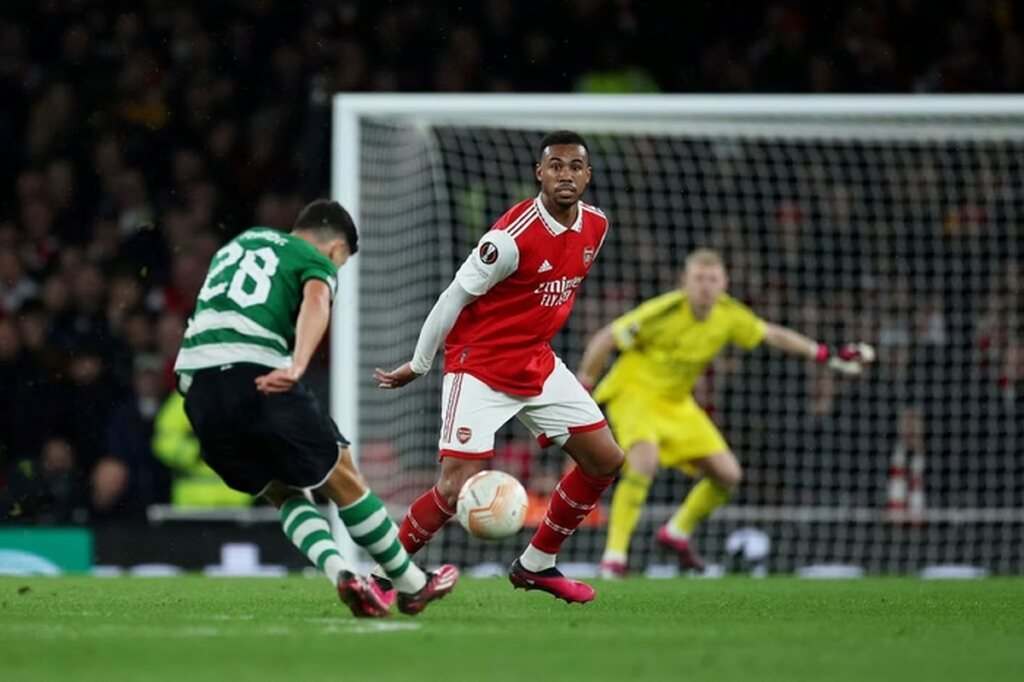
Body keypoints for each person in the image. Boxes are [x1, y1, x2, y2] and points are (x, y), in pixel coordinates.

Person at [174, 199, 458, 617]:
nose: (337, 269)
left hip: (196, 389)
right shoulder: (311, 256)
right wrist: (298, 363)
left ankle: (341, 572)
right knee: (341, 475)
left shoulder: (240, 244)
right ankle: (412, 583)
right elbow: (316, 299)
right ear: (334, 249)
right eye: (340, 263)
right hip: (255, 372)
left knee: (281, 490)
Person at [374, 131, 624, 604]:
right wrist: (421, 363)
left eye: (575, 166)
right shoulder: (508, 240)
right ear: (539, 173)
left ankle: (536, 565)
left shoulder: (597, 225)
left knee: (605, 459)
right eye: (555, 166)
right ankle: (384, 580)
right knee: (452, 490)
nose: (565, 175)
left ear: (588, 175)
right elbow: (453, 298)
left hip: (538, 361)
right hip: (480, 366)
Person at [576, 249, 875, 577]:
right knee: (644, 461)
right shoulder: (663, 311)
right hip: (634, 393)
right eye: (699, 279)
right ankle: (614, 558)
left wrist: (824, 354)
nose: (705, 286)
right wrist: (583, 388)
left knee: (728, 475)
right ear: (685, 283)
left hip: (677, 403)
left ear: (724, 284)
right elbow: (605, 337)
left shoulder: (728, 315)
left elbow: (772, 334)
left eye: (712, 279)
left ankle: (676, 532)